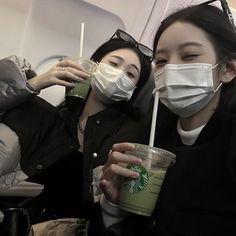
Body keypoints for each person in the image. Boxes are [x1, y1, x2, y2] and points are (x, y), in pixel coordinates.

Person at [99, 2, 236, 236]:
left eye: (189, 55)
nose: (171, 69)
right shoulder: (148, 139)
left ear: (228, 69)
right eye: (161, 61)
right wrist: (113, 204)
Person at [0, 29, 152, 234]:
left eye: (130, 74)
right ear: (94, 66)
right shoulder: (58, 119)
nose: (119, 74)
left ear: (134, 89)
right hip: (33, 221)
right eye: (113, 64)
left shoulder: (133, 132)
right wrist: (38, 82)